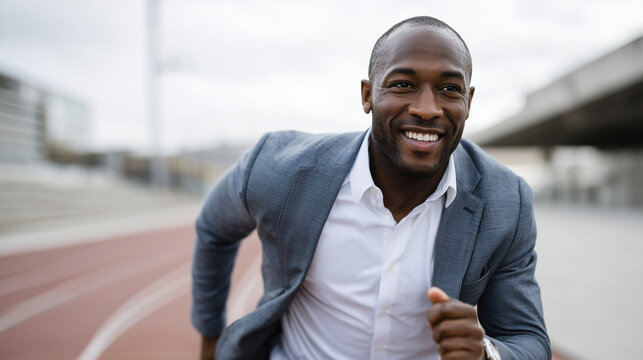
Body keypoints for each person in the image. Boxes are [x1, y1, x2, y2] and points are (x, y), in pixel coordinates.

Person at [191, 16, 550, 360]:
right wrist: (210, 338)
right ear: (367, 96)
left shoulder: (506, 202)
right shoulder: (279, 167)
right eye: (403, 84)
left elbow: (528, 340)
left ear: (468, 102)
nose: (427, 109)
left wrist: (485, 353)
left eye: (449, 89)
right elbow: (214, 227)